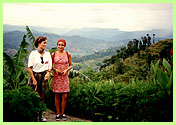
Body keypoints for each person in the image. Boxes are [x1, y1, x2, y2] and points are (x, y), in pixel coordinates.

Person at [28, 36, 52, 122]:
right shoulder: (33, 54)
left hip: (43, 76)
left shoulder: (47, 54)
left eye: (45, 43)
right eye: (44, 43)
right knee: (35, 96)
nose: (45, 44)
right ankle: (34, 114)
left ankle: (41, 115)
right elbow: (29, 68)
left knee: (42, 97)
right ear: (39, 43)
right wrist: (33, 79)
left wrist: (48, 73)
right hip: (35, 75)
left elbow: (50, 66)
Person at [51, 38, 72, 121]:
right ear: (57, 45)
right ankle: (58, 113)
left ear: (64, 46)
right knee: (57, 95)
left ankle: (63, 113)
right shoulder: (53, 54)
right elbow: (50, 65)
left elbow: (70, 65)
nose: (60, 46)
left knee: (65, 96)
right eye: (59, 45)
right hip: (56, 77)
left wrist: (66, 70)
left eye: (62, 45)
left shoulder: (67, 54)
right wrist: (55, 69)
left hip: (64, 77)